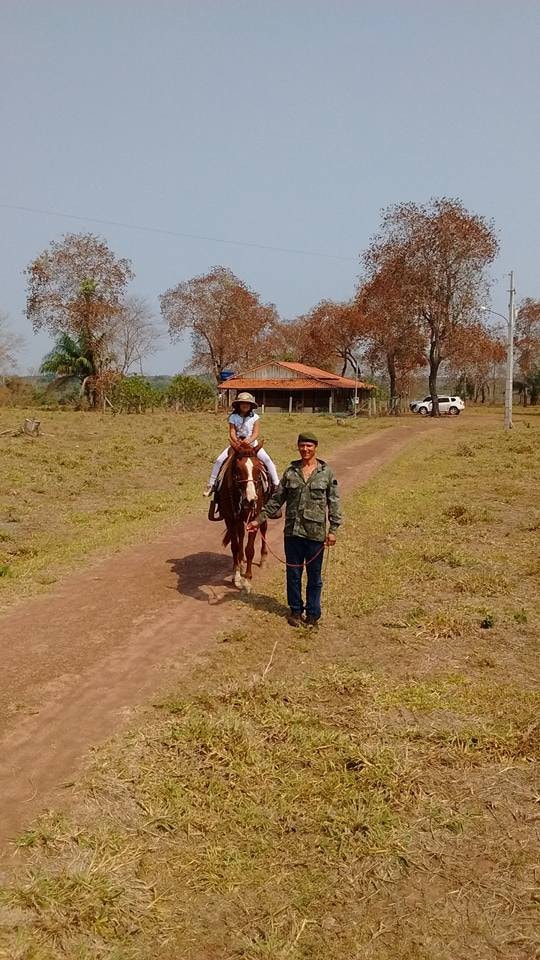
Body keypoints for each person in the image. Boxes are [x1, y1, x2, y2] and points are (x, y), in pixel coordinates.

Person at [247, 432, 341, 629]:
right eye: (302, 446)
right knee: (293, 574)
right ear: (298, 447)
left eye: (309, 446)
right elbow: (277, 500)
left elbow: (334, 503)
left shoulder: (326, 473)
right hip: (292, 533)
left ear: (315, 447)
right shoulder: (291, 472)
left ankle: (313, 615)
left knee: (314, 577)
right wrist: (259, 520)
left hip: (315, 534)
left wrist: (333, 530)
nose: (305, 450)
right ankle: (295, 611)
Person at [205, 392, 280, 496]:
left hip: (252, 445)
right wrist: (236, 441)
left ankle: (276, 484)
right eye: (242, 403)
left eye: (248, 403)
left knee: (267, 460)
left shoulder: (255, 417)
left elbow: (256, 432)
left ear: (251, 406)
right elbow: (232, 432)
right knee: (219, 460)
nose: (245, 405)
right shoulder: (233, 417)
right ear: (238, 405)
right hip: (237, 445)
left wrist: (249, 440)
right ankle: (212, 484)